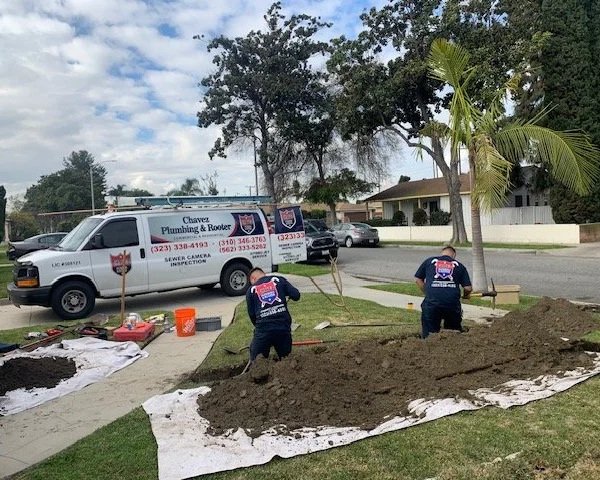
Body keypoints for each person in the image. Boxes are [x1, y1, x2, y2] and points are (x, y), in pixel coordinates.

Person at [414, 245, 472, 338]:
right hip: (452, 305)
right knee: (453, 335)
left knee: (430, 335)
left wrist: (427, 292)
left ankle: (428, 347)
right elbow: (468, 288)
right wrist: (466, 296)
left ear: (442, 253)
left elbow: (418, 279)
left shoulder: (429, 262)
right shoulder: (459, 266)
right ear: (454, 255)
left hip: (431, 304)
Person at [246, 267, 301, 360]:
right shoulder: (279, 280)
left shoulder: (251, 290)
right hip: (283, 326)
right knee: (286, 358)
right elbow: (296, 295)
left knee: (257, 361)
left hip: (263, 330)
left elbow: (252, 315)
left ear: (253, 279)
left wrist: (258, 327)